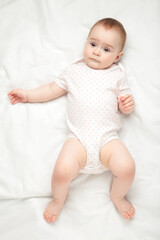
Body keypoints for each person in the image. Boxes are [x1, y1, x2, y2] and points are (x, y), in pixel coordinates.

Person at [8, 18, 135, 222]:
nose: (96, 52)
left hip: (107, 141)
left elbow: (124, 104)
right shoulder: (74, 70)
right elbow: (51, 89)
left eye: (106, 49)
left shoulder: (117, 75)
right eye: (93, 44)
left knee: (127, 168)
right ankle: (58, 200)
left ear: (117, 57)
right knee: (60, 172)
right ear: (86, 42)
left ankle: (117, 196)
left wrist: (127, 105)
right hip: (78, 140)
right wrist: (28, 95)